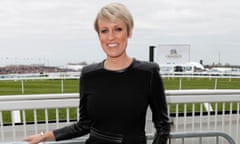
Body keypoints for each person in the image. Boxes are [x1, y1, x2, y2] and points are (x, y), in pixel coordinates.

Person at [23, 2, 171, 144]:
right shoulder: (89, 74)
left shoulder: (148, 73)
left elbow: (163, 126)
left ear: (129, 31)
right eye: (104, 31)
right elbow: (84, 125)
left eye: (118, 29)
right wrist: (45, 136)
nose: (111, 37)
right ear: (99, 35)